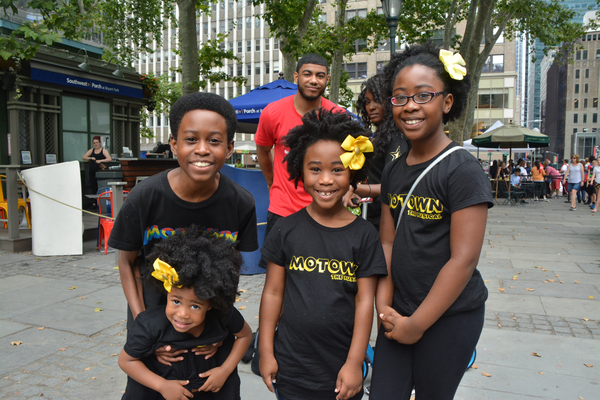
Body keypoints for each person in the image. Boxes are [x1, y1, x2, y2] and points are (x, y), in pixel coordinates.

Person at [369, 42, 493, 399]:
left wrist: (417, 325)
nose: (410, 106)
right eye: (399, 97)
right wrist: (384, 304)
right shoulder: (393, 170)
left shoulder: (462, 169)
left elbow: (463, 259)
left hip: (449, 317)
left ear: (447, 102)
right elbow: (388, 242)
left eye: (423, 96)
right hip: (398, 310)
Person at [108, 92, 258, 382]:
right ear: (174, 145)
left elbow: (231, 271)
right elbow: (126, 264)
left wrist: (220, 330)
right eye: (191, 140)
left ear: (229, 148)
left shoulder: (241, 202)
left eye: (214, 141)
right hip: (152, 321)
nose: (202, 149)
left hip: (209, 331)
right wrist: (146, 330)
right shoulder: (145, 197)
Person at [258, 110, 387, 400]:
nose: (326, 180)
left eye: (337, 169)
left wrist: (355, 363)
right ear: (299, 170)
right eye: (315, 169)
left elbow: (365, 301)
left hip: (341, 368)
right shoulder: (286, 230)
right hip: (291, 366)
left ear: (353, 172)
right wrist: (265, 351)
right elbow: (273, 292)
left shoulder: (365, 235)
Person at [118, 226, 253, 400]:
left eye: (195, 306)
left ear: (211, 304)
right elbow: (126, 361)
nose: (182, 314)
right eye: (176, 301)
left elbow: (245, 336)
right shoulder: (150, 324)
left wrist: (224, 371)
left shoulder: (224, 315)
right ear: (166, 292)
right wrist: (162, 385)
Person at [254, 53, 345, 269]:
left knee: (322, 277)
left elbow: (347, 163)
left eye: (320, 75)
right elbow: (263, 150)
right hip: (283, 210)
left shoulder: (339, 115)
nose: (314, 80)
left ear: (327, 80)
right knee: (277, 279)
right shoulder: (272, 112)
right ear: (296, 76)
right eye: (307, 74)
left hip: (325, 209)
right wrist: (271, 181)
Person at [347, 74, 411, 230]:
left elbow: (396, 186)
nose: (371, 107)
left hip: (387, 219)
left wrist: (355, 188)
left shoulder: (397, 137)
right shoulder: (378, 137)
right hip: (371, 215)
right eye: (367, 102)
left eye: (377, 100)